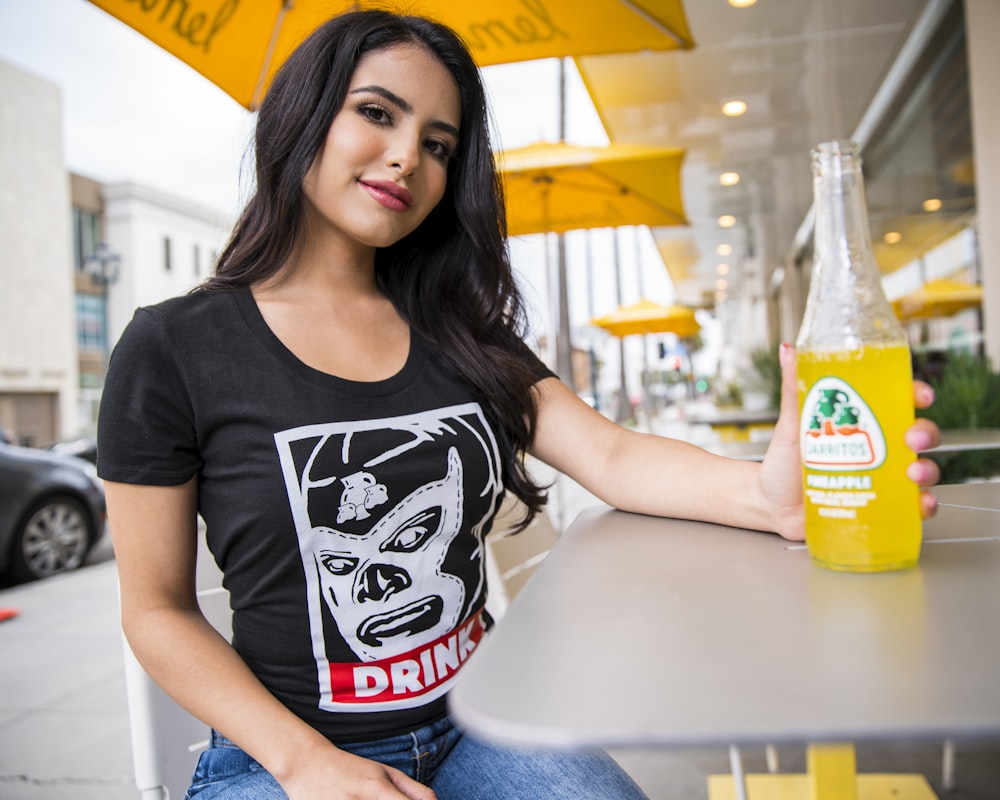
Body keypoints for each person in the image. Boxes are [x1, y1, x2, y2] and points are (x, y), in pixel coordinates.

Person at [97, 10, 942, 800]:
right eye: (377, 114)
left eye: (437, 144)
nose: (406, 159)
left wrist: (766, 494)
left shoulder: (458, 330)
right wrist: (308, 762)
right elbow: (157, 610)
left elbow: (611, 456)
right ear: (304, 115)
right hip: (282, 756)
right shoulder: (175, 348)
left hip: (482, 721)